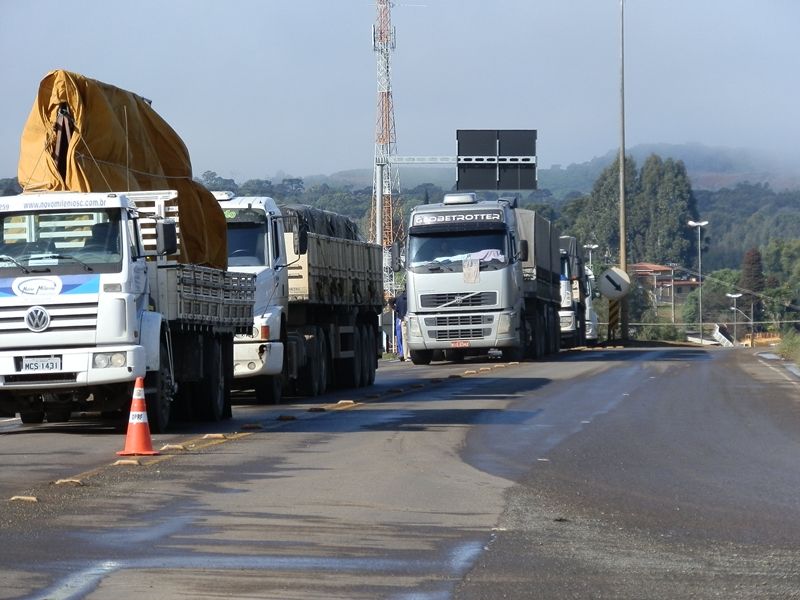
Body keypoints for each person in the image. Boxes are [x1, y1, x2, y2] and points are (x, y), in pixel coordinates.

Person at [393, 289, 407, 361]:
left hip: (400, 318)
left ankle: (402, 353)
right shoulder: (411, 297)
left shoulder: (399, 298)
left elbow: (396, 308)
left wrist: (394, 308)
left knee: (400, 336)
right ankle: (406, 353)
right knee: (406, 337)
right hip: (409, 317)